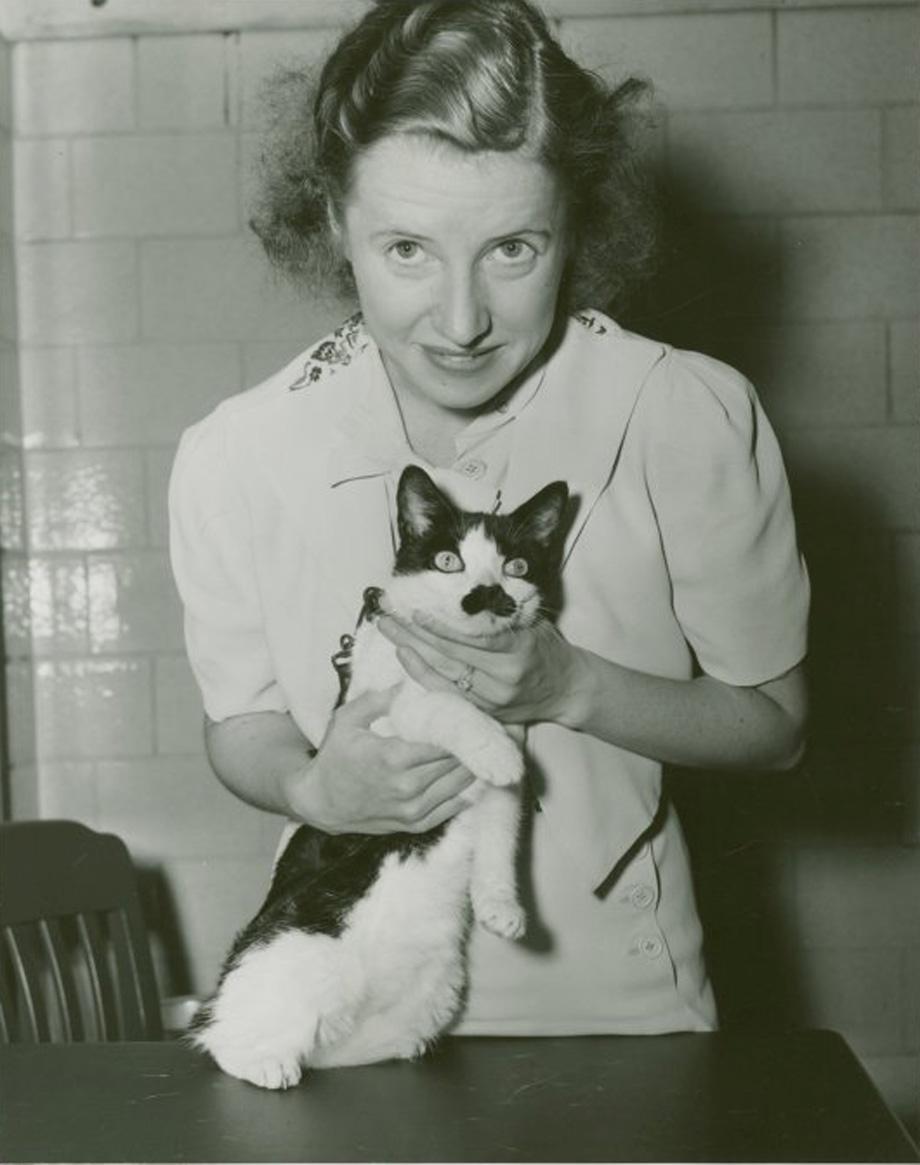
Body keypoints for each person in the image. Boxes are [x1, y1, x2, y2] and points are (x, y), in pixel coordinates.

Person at [169, 0, 809, 1035]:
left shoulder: (681, 412)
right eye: (406, 250)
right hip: (345, 990)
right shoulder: (235, 454)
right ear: (332, 221)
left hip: (614, 1014)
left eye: (512, 249)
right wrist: (312, 786)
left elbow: (772, 726)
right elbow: (239, 722)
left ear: (576, 225)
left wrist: (570, 684)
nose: (461, 320)